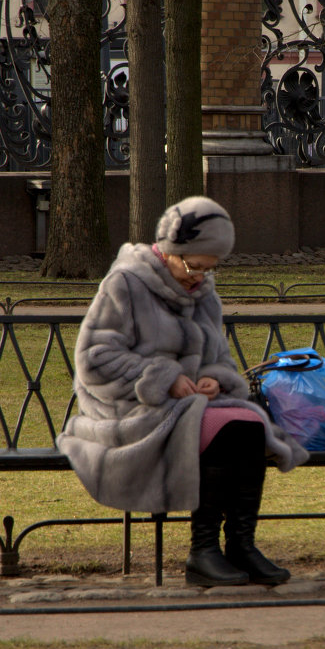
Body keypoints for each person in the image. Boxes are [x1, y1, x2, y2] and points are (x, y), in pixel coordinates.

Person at [57, 196, 309, 587]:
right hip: (129, 407)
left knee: (247, 425)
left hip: (190, 404)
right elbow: (94, 357)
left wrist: (215, 379)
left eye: (209, 269)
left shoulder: (204, 293)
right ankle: (202, 552)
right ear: (171, 251)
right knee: (230, 427)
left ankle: (241, 545)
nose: (199, 277)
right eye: (194, 266)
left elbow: (220, 359)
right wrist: (162, 377)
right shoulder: (125, 283)